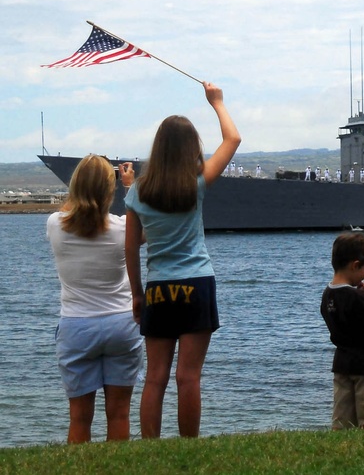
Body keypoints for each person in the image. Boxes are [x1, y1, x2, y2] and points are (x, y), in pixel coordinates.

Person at [124, 81, 241, 438]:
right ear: (192, 148)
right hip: (197, 283)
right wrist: (217, 102)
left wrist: (137, 294)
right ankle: (189, 445)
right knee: (188, 376)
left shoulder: (136, 192)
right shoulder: (197, 183)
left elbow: (131, 249)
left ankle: (150, 446)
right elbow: (233, 140)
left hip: (159, 287)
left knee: (156, 376)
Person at [47, 155, 144, 443]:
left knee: (79, 417)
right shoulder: (122, 229)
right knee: (119, 413)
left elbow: (72, 213)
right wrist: (131, 187)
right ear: (109, 190)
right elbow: (143, 227)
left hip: (77, 326)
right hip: (121, 325)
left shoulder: (55, 224)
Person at [320, 232, 364, 430]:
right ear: (355, 265)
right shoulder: (357, 298)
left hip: (342, 364)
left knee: (343, 417)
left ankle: (342, 446)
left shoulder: (328, 294)